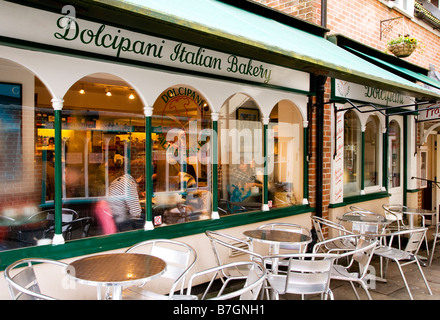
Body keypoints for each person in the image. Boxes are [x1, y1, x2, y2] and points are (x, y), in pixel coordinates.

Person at [108, 156, 142, 232]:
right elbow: (136, 212)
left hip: (111, 216)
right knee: (146, 218)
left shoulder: (119, 180)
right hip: (120, 219)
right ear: (140, 176)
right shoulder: (130, 183)